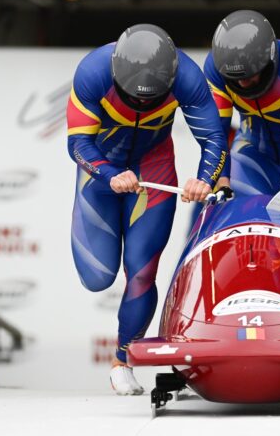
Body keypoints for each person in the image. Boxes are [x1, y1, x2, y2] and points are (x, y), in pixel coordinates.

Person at [66, 24, 228, 395]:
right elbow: (77, 145)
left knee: (142, 272)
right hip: (101, 172)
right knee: (97, 277)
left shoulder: (187, 77)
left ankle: (122, 360)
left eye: (152, 98)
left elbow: (214, 139)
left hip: (153, 168)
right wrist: (108, 174)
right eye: (133, 97)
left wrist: (205, 179)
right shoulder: (93, 72)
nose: (141, 103)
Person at [203, 9, 280, 202]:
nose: (242, 83)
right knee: (251, 211)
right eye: (234, 78)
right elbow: (217, 131)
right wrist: (222, 178)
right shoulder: (214, 69)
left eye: (249, 75)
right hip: (253, 152)